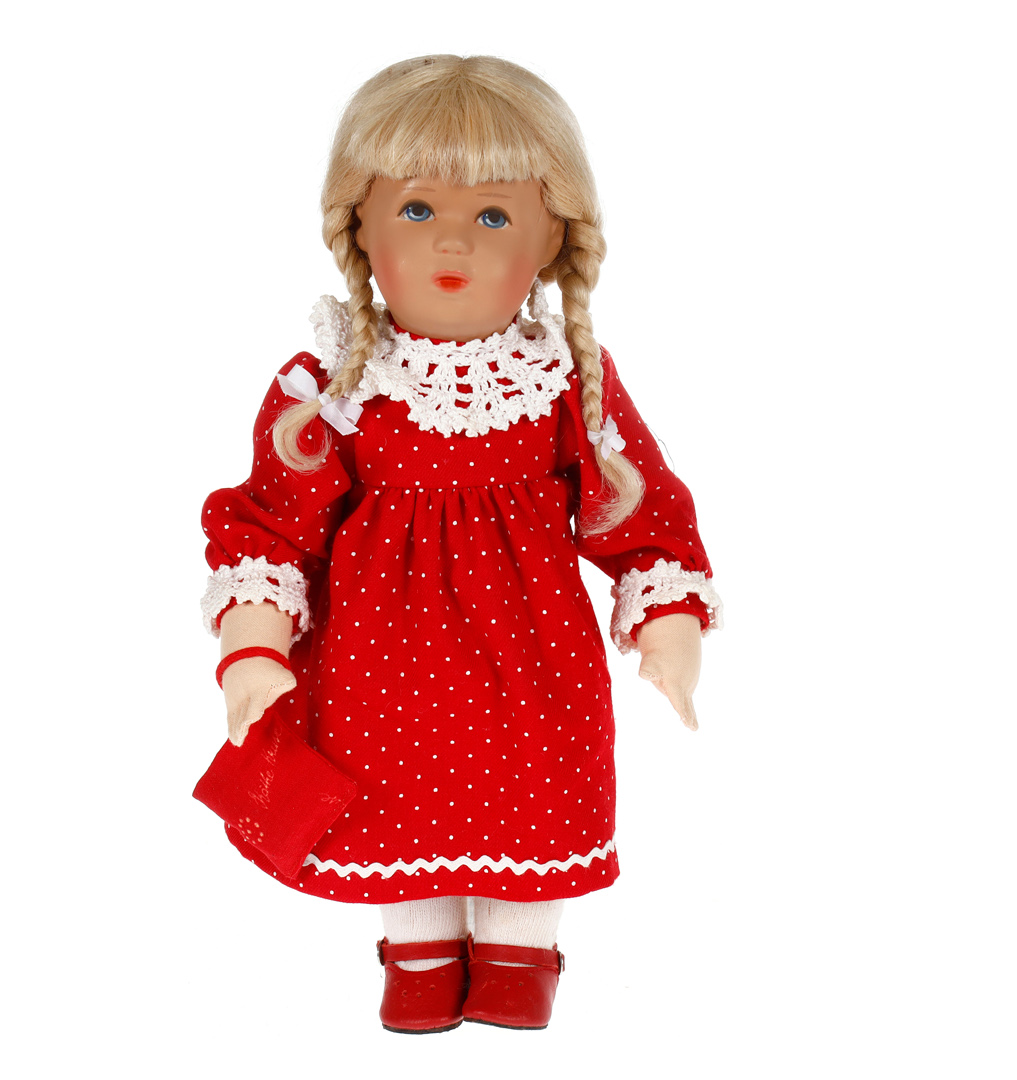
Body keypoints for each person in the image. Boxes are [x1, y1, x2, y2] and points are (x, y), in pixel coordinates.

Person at [199, 54, 721, 1033]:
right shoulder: (333, 383)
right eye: (415, 210)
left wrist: (668, 618)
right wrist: (253, 644)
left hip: (533, 666)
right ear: (358, 226)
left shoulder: (561, 377)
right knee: (393, 800)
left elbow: (637, 506)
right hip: (380, 672)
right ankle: (420, 954)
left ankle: (522, 956)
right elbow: (273, 523)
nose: (451, 241)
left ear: (551, 238)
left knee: (536, 794)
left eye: (492, 216)